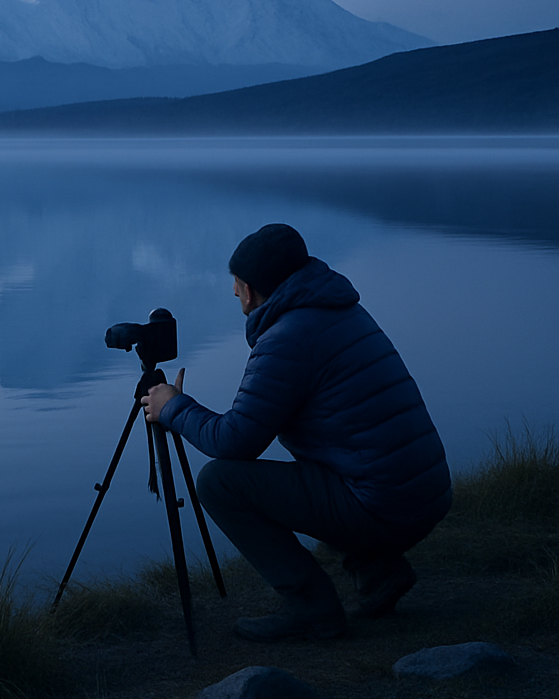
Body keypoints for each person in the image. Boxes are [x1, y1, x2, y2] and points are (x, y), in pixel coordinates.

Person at [142, 223, 452, 642]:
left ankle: (312, 608)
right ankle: (379, 571)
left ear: (249, 290)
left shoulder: (287, 339)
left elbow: (235, 441)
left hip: (384, 504)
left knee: (219, 482)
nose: (233, 292)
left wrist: (172, 407)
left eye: (236, 283)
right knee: (323, 458)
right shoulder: (339, 309)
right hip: (424, 492)